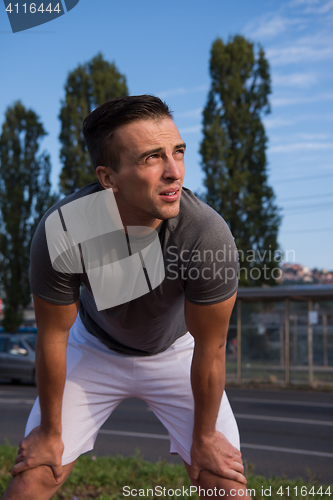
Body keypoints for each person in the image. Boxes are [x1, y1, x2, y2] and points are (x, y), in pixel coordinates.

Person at [2, 95, 249, 500]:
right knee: (34, 475)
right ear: (108, 177)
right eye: (152, 158)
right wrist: (49, 432)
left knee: (223, 482)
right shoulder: (65, 228)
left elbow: (212, 345)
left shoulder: (206, 234)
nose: (174, 172)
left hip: (176, 353)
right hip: (93, 348)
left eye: (178, 152)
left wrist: (205, 436)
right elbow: (51, 338)